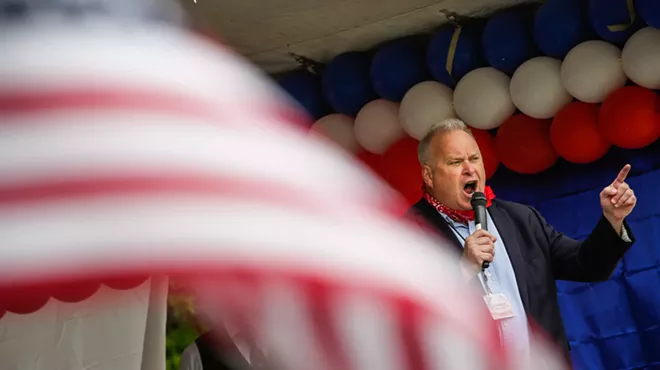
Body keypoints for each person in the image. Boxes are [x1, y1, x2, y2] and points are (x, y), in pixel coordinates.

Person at [405, 118, 636, 359]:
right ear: (429, 176)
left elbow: (587, 266)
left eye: (474, 159)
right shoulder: (409, 234)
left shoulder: (520, 219)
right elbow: (407, 317)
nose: (469, 169)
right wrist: (463, 269)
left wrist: (613, 220)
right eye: (455, 162)